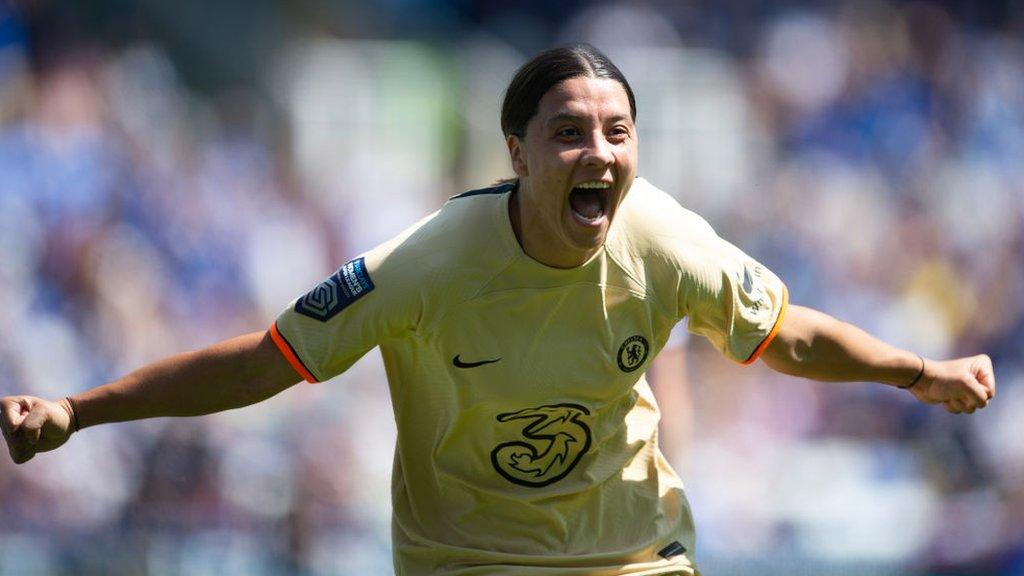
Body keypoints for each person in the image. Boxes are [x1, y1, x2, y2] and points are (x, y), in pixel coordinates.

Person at [1, 44, 996, 576]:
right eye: (569, 133)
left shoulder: (666, 236)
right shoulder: (422, 267)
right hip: (468, 565)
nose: (599, 153)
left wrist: (918, 371)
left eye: (616, 131)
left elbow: (789, 336)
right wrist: (80, 412)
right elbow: (262, 363)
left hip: (634, 554)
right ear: (516, 152)